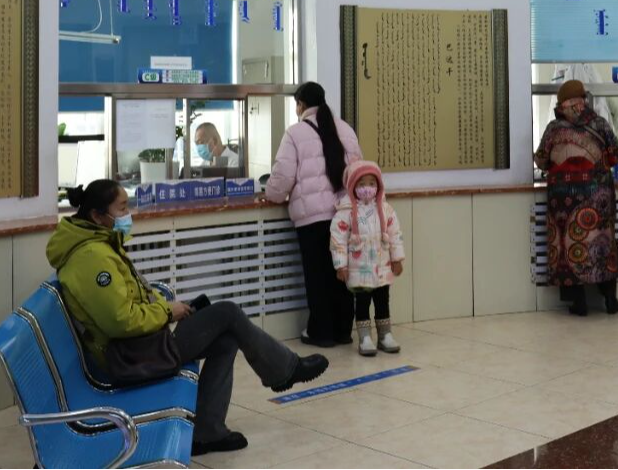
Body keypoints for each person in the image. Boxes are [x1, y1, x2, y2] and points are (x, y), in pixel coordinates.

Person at [48, 181, 329, 457]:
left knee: (226, 338)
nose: (127, 215)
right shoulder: (91, 257)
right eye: (121, 209)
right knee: (228, 313)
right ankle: (285, 371)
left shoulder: (99, 243)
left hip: (138, 344)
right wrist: (168, 312)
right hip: (128, 356)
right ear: (97, 216)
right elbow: (120, 321)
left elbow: (131, 300)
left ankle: (208, 432)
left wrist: (170, 307)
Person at [265, 82, 364, 347]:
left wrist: (271, 195)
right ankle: (343, 330)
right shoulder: (345, 129)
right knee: (341, 273)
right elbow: (357, 172)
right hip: (343, 215)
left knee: (317, 275)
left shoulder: (295, 133)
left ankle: (321, 332)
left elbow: (282, 177)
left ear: (300, 105)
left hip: (312, 220)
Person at [533, 80, 618, 317]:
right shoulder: (600, 123)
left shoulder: (554, 128)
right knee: (602, 244)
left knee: (568, 246)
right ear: (583, 99)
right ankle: (610, 299)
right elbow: (615, 156)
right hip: (598, 197)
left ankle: (578, 302)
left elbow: (541, 160)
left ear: (561, 103)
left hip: (563, 200)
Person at [330, 160, 405, 356]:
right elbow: (337, 240)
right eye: (362, 184)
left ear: (378, 185)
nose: (367, 188)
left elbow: (395, 235)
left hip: (382, 267)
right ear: (352, 185)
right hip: (359, 270)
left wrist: (397, 259)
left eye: (372, 183)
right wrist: (340, 265)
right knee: (362, 303)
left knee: (383, 301)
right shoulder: (345, 213)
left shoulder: (386, 209)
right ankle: (364, 337)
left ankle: (385, 335)